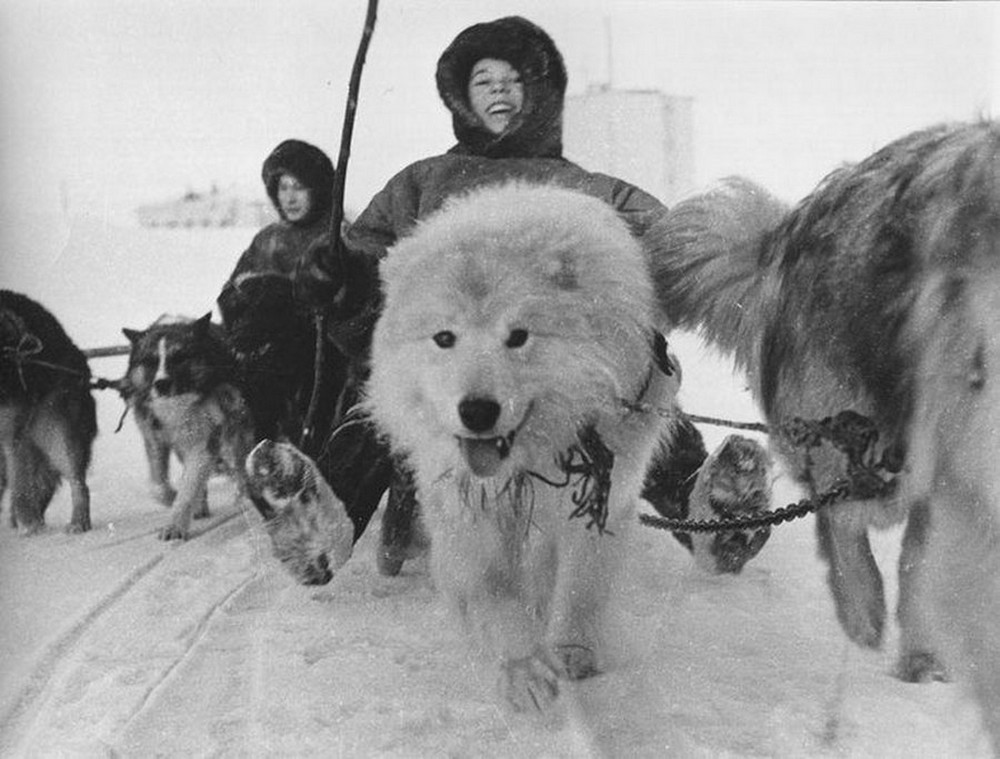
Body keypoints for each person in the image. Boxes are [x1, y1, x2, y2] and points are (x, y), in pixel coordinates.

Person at [291, 16, 709, 574]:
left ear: (542, 93)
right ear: (460, 97)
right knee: (388, 397)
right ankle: (322, 520)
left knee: (638, 393)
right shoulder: (420, 182)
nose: (500, 94)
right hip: (446, 353)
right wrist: (336, 273)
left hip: (546, 359)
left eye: (513, 81)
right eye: (484, 83)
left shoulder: (588, 186)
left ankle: (710, 510)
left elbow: (661, 242)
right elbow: (367, 248)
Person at [216, 139, 345, 450]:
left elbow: (352, 299)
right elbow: (229, 294)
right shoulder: (268, 239)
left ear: (319, 189)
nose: (289, 197)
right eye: (283, 188)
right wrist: (243, 299)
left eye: (299, 187)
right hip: (264, 352)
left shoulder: (339, 236)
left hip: (322, 351)